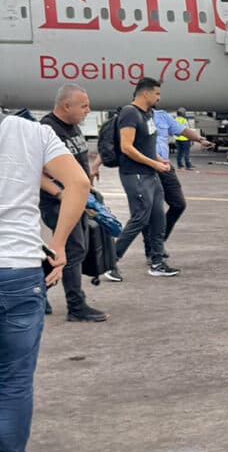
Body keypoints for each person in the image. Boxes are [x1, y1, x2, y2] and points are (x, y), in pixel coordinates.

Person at [0, 111, 90, 452]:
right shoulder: (28, 131)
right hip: (16, 267)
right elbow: (78, 182)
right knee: (14, 379)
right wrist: (57, 244)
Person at [37, 84, 108, 322]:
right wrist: (60, 194)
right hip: (57, 202)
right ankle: (76, 307)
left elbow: (76, 161)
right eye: (84, 106)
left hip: (77, 199)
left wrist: (88, 186)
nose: (89, 110)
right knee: (73, 249)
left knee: (75, 249)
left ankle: (35, 291)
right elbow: (36, 170)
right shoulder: (47, 129)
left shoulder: (73, 126)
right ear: (66, 106)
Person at [107, 77, 178, 279]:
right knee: (140, 217)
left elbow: (144, 146)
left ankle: (157, 262)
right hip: (135, 174)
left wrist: (159, 161)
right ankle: (109, 262)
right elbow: (126, 147)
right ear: (145, 93)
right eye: (156, 93)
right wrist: (154, 164)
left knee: (158, 218)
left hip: (150, 174)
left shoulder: (147, 114)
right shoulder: (130, 113)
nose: (159, 97)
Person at [150, 108, 213, 260]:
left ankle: (158, 242)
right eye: (155, 94)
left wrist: (199, 139)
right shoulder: (134, 116)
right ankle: (153, 250)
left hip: (165, 166)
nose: (158, 98)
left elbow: (182, 130)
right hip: (146, 167)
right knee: (151, 210)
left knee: (178, 204)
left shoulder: (162, 116)